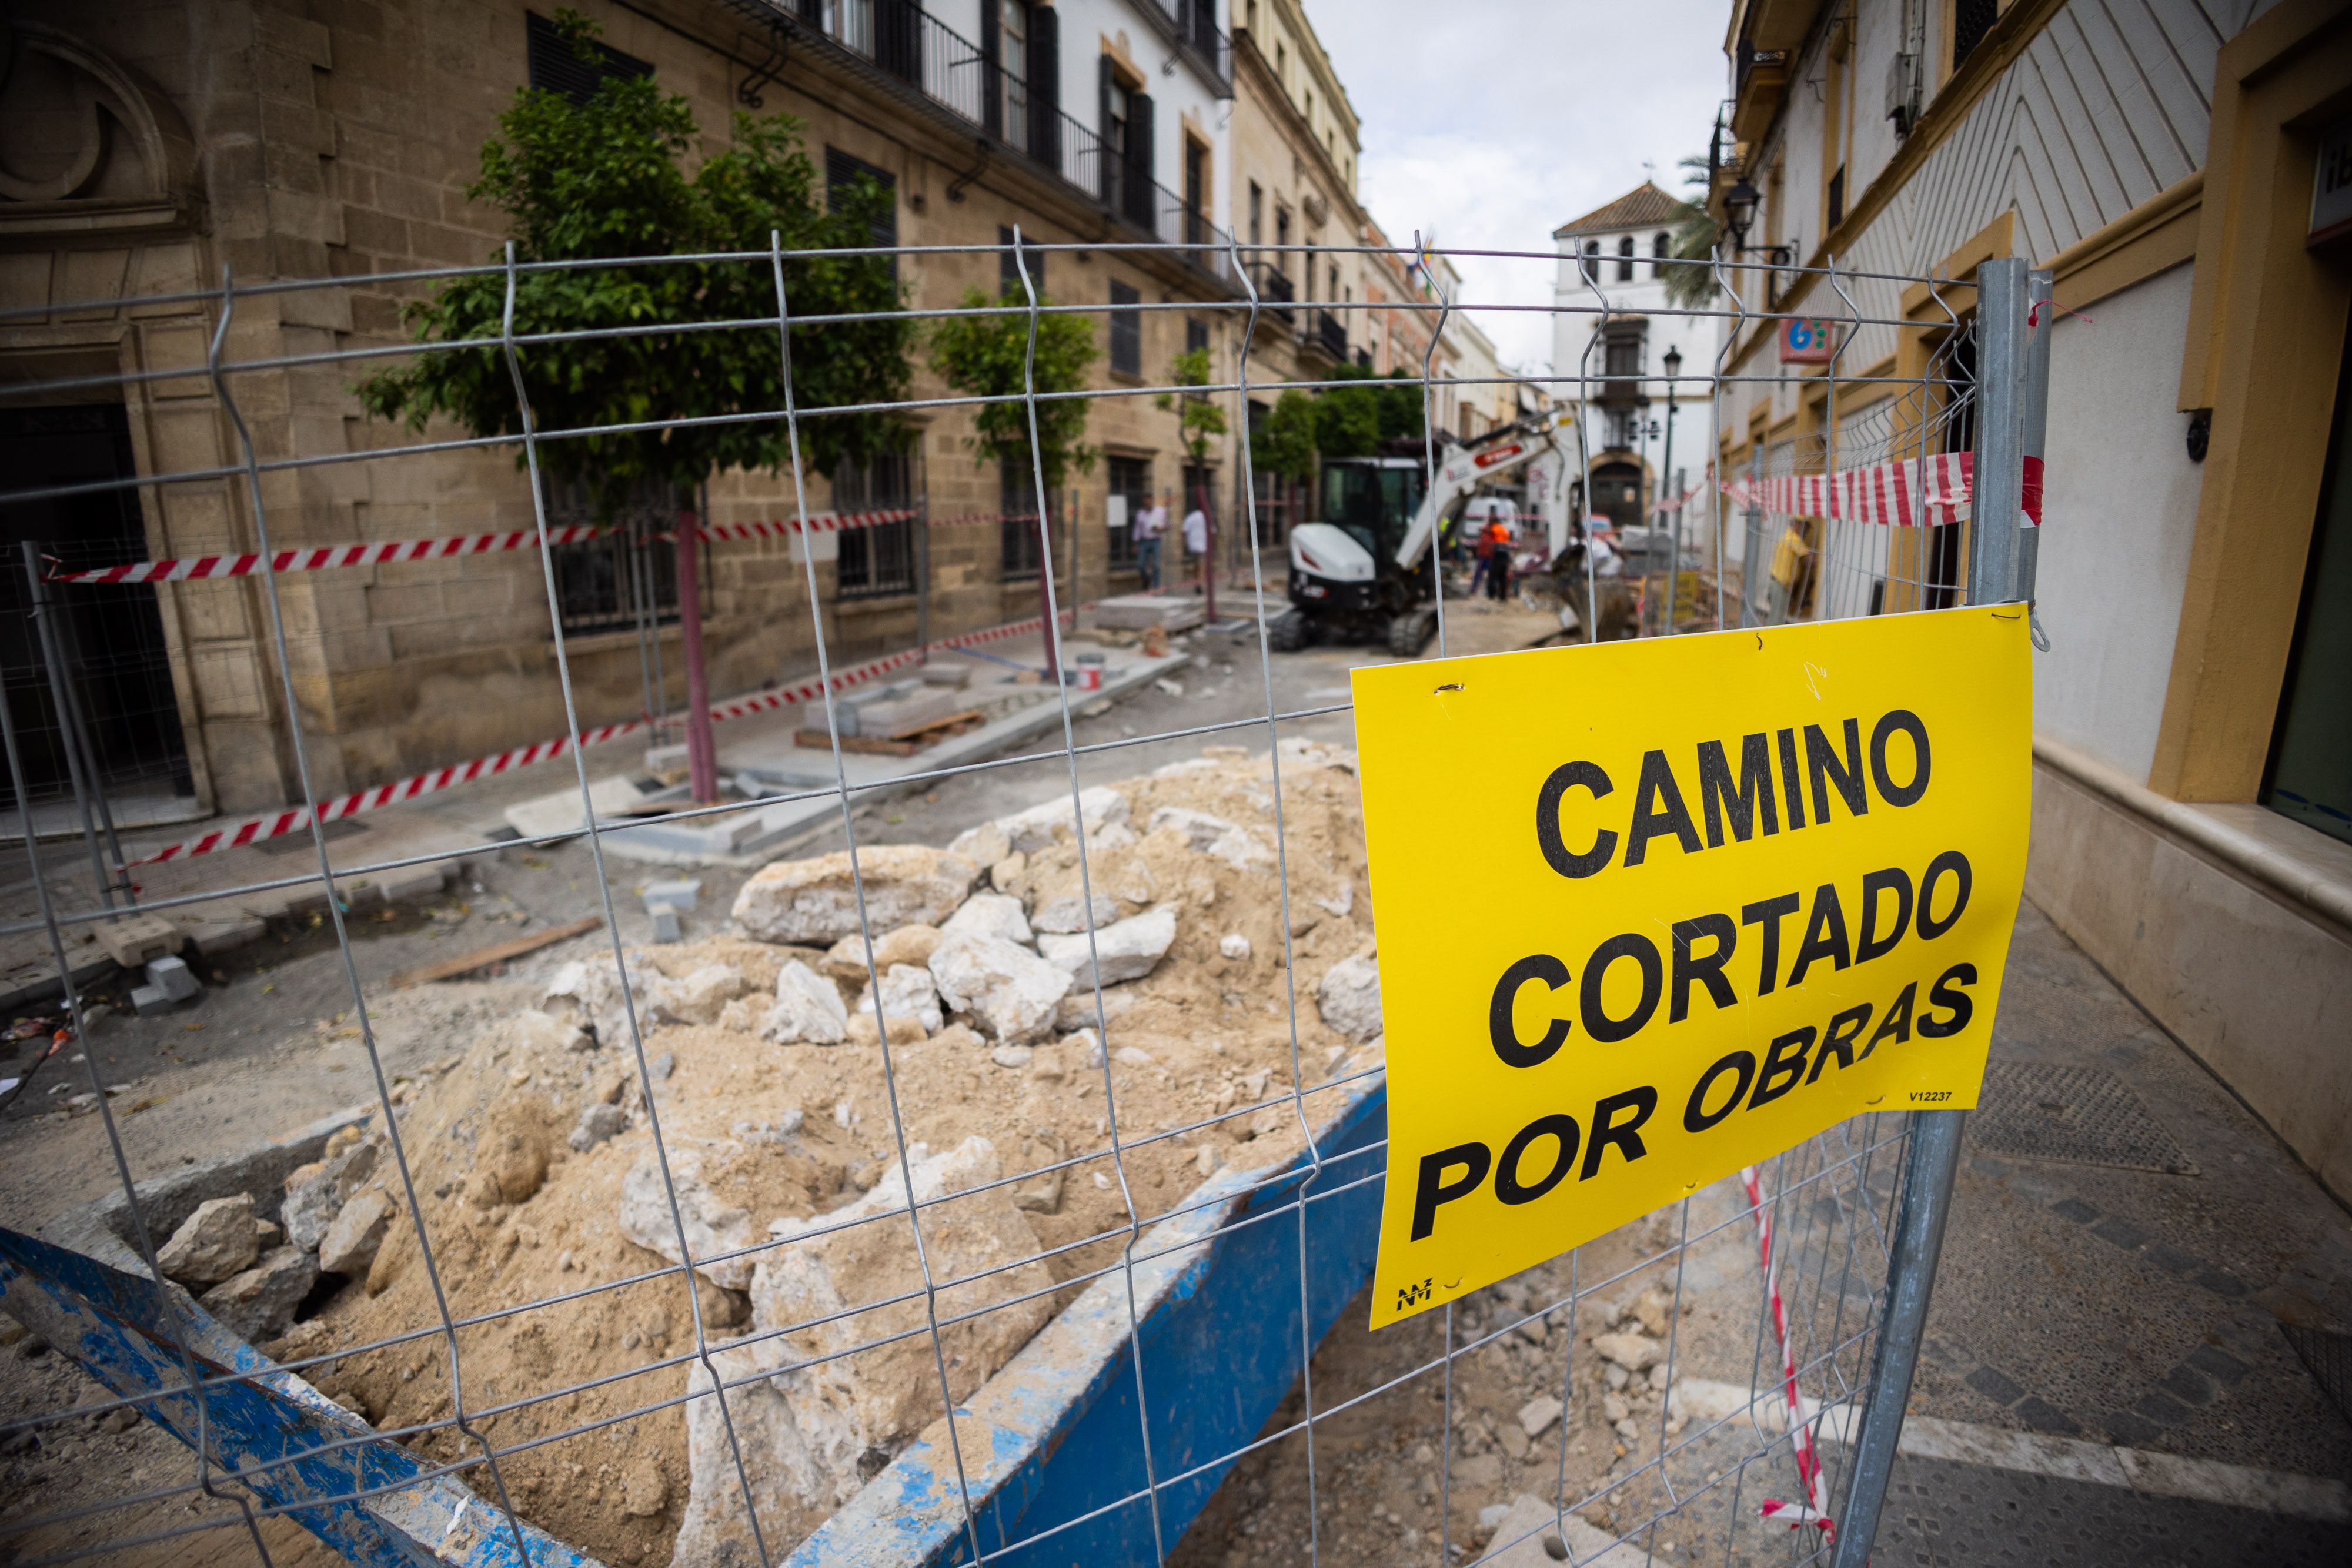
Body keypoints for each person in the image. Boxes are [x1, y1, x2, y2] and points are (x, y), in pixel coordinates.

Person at [1132, 490, 1168, 589]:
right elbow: (1137, 529)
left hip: (1156, 540)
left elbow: (1167, 526)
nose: (1147, 504)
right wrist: (1135, 544)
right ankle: (1146, 579)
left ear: (1151, 501)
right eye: (1145, 503)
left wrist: (1160, 529)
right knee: (1141, 565)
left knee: (1156, 565)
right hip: (1144, 542)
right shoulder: (1140, 514)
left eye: (1148, 502)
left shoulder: (1160, 512)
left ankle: (1156, 587)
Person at [1485, 515, 1514, 601]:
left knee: (1492, 576)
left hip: (1497, 555)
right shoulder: (1504, 529)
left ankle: (1491, 595)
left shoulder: (1495, 528)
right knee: (1503, 577)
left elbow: (1491, 538)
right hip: (1505, 555)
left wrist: (1489, 551)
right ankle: (1503, 597)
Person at [1181, 498, 1209, 569]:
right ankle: (1200, 578)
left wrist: (1185, 543)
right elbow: (1213, 531)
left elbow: (1184, 531)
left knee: (1194, 564)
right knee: (1202, 564)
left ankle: (1196, 577)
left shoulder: (1190, 517)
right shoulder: (1207, 517)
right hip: (1204, 544)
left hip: (1192, 544)